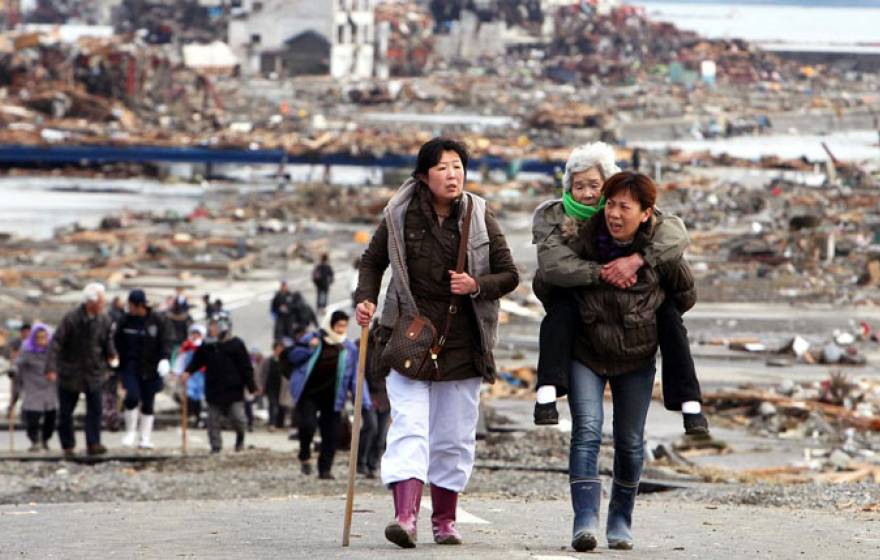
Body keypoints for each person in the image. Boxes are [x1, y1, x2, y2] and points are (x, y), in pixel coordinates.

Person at [355, 137, 519, 548]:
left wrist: (476, 284)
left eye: (458, 166)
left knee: (454, 435)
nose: (453, 174)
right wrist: (365, 299)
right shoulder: (398, 215)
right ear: (424, 176)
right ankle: (405, 517)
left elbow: (509, 274)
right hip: (407, 338)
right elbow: (374, 260)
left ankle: (444, 520)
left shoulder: (480, 215)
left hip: (463, 344)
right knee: (409, 426)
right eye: (443, 167)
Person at [531, 142, 709, 437]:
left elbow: (675, 233)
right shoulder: (554, 217)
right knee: (561, 310)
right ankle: (547, 394)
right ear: (568, 189)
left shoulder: (631, 216)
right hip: (585, 334)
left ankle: (690, 404)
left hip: (635, 334)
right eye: (579, 186)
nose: (588, 194)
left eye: (594, 186)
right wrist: (603, 272)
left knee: (669, 318)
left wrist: (638, 260)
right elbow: (551, 266)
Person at [565, 172, 696, 551]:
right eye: (610, 204)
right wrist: (593, 279)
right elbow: (547, 282)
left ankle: (621, 519)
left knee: (630, 442)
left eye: (625, 206)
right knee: (587, 431)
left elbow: (685, 294)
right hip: (586, 352)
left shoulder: (661, 250)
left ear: (645, 214)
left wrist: (647, 301)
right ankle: (584, 520)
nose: (614, 213)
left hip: (636, 356)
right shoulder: (583, 239)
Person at [288, 310, 369, 479]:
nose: (341, 329)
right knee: (307, 426)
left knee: (331, 435)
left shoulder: (349, 348)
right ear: (330, 324)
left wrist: (362, 400)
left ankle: (325, 469)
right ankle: (304, 455)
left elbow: (356, 376)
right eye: (338, 325)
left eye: (344, 326)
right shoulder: (312, 339)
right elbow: (293, 357)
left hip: (333, 398)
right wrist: (310, 348)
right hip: (309, 394)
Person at [47, 283, 118, 457]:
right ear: (90, 303)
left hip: (94, 371)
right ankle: (68, 445)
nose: (103, 305)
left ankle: (93, 443)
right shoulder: (71, 318)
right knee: (65, 412)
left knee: (95, 409)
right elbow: (56, 343)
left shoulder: (104, 319)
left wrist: (112, 355)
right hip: (70, 371)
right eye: (100, 301)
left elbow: (107, 341)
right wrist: (51, 367)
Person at [183, 313, 257, 453]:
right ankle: (216, 446)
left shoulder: (236, 344)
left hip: (233, 389)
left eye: (214, 325)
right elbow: (197, 360)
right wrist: (188, 371)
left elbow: (245, 366)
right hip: (213, 389)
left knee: (238, 418)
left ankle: (240, 438)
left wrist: (251, 385)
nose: (211, 328)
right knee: (213, 420)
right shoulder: (207, 345)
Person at [114, 289, 174, 449]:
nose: (130, 309)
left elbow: (167, 339)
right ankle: (130, 432)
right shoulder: (125, 321)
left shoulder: (157, 320)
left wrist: (165, 358)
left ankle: (145, 437)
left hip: (152, 367)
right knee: (132, 397)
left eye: (132, 305)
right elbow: (116, 341)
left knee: (148, 401)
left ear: (140, 305)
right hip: (131, 365)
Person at [8, 324, 57, 451]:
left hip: (49, 387)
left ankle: (45, 439)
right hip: (33, 386)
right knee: (33, 417)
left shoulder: (53, 352)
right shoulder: (27, 351)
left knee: (51, 416)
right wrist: (13, 371)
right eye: (38, 338)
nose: (41, 341)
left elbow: (61, 364)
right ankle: (34, 439)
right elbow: (18, 364)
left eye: (44, 337)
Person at [357, 320, 391, 479]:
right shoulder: (364, 347)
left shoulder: (392, 347)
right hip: (368, 394)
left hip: (386, 396)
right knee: (371, 427)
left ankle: (373, 464)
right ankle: (361, 462)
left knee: (381, 434)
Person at [174, 324, 207, 427]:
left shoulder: (205, 346)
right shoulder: (186, 346)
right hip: (189, 375)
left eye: (198, 333)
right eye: (194, 333)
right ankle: (189, 415)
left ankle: (198, 417)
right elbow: (181, 360)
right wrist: (178, 371)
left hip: (201, 375)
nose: (195, 335)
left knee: (199, 396)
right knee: (188, 395)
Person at [257, 340, 292, 431]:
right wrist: (260, 385)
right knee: (272, 404)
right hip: (270, 386)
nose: (279, 350)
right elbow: (261, 373)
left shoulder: (287, 360)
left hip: (282, 387)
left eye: (281, 348)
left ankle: (279, 424)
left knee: (282, 405)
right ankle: (272, 423)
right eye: (278, 348)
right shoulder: (268, 361)